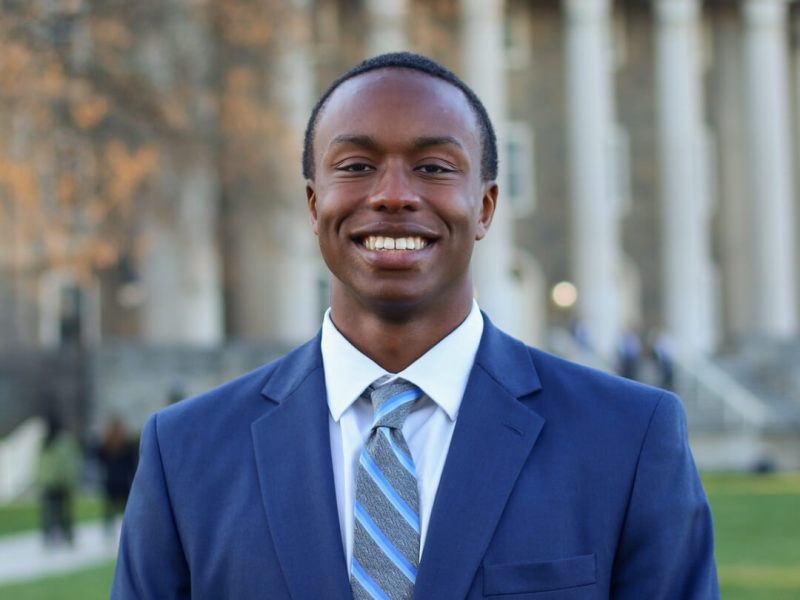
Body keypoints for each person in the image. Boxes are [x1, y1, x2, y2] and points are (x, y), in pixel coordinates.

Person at [112, 52, 718, 599]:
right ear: (312, 203)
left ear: (484, 206)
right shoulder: (186, 454)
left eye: (432, 167)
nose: (393, 195)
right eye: (355, 165)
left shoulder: (628, 440)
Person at [36, 413, 81, 547]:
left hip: (50, 483)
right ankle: (65, 537)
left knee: (52, 512)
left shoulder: (45, 443)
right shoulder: (61, 443)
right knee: (62, 512)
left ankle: (53, 537)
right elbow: (68, 464)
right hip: (59, 483)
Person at [94, 417, 138, 538]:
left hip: (113, 482)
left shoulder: (109, 446)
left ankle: (109, 534)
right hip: (121, 482)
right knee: (124, 512)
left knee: (112, 512)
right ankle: (128, 532)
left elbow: (99, 460)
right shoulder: (125, 446)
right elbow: (132, 464)